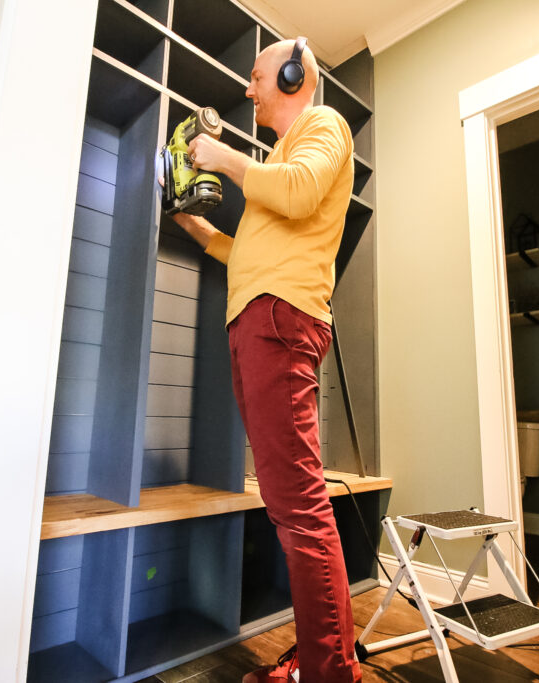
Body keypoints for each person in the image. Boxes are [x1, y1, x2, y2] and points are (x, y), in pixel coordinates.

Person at [171, 37, 362, 683]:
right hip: (258, 317)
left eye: (256, 76)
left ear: (290, 74)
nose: (248, 90)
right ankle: (320, 663)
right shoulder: (279, 158)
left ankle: (331, 672)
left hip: (279, 319)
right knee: (291, 505)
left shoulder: (322, 126)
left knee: (300, 507)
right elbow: (253, 250)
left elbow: (303, 191)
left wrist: (222, 158)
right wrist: (197, 228)